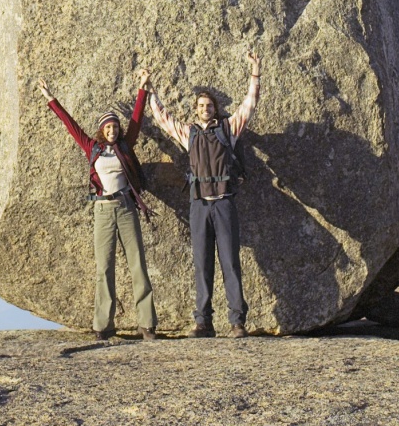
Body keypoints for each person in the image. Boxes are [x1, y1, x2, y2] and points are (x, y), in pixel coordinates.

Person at [139, 49, 261, 338]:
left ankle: (236, 322)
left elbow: (249, 105)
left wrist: (255, 71)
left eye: (209, 105)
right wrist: (151, 90)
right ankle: (203, 322)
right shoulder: (189, 133)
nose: (205, 109)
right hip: (199, 205)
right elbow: (163, 119)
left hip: (224, 203)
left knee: (230, 262)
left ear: (215, 109)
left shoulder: (228, 129)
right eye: (201, 105)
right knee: (201, 264)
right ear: (195, 109)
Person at [38, 74, 157, 341]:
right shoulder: (92, 148)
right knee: (104, 268)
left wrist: (142, 90)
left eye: (115, 127)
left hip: (126, 207)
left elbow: (136, 121)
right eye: (108, 128)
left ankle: (147, 324)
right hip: (102, 211)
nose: (112, 131)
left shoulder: (126, 146)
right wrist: (51, 99)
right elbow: (71, 125)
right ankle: (103, 324)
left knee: (137, 264)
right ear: (101, 131)